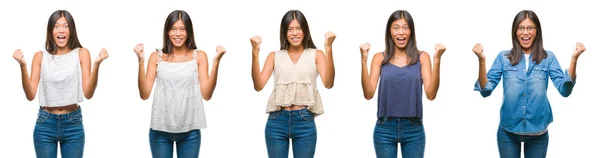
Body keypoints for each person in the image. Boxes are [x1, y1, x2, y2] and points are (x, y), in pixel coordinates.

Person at [472, 10, 586, 158]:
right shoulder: (503, 57)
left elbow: (565, 90)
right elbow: (485, 91)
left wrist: (574, 59)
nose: (525, 32)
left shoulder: (548, 57)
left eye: (530, 28)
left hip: (538, 133)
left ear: (537, 31)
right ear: (515, 32)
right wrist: (481, 61)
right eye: (521, 28)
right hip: (508, 132)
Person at [12, 10, 109, 158]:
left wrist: (96, 65)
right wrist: (23, 66)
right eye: (56, 26)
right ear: (51, 31)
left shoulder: (82, 53)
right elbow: (30, 95)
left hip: (73, 124)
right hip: (45, 124)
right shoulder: (40, 56)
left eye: (66, 26)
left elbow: (88, 93)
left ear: (71, 30)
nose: (61, 30)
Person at [134, 10, 226, 158]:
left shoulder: (199, 56)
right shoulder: (156, 57)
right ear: (167, 32)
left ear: (189, 32)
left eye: (182, 29)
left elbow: (207, 95)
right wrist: (140, 61)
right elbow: (144, 94)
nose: (178, 34)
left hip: (190, 132)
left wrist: (216, 63)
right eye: (173, 29)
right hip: (160, 131)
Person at [250, 9, 336, 158]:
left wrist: (329, 49)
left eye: (298, 28)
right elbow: (258, 85)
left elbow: (328, 83)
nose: (294, 33)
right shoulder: (274, 56)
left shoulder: (316, 54)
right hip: (277, 121)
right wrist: (255, 53)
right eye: (289, 29)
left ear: (305, 30)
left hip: (304, 121)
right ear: (284, 32)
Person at [360, 10, 446, 158]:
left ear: (411, 31)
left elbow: (431, 94)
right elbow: (368, 94)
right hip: (385, 128)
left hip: (414, 128)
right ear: (389, 31)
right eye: (396, 28)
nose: (401, 32)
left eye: (405, 28)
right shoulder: (379, 58)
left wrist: (437, 60)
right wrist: (363, 60)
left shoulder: (422, 57)